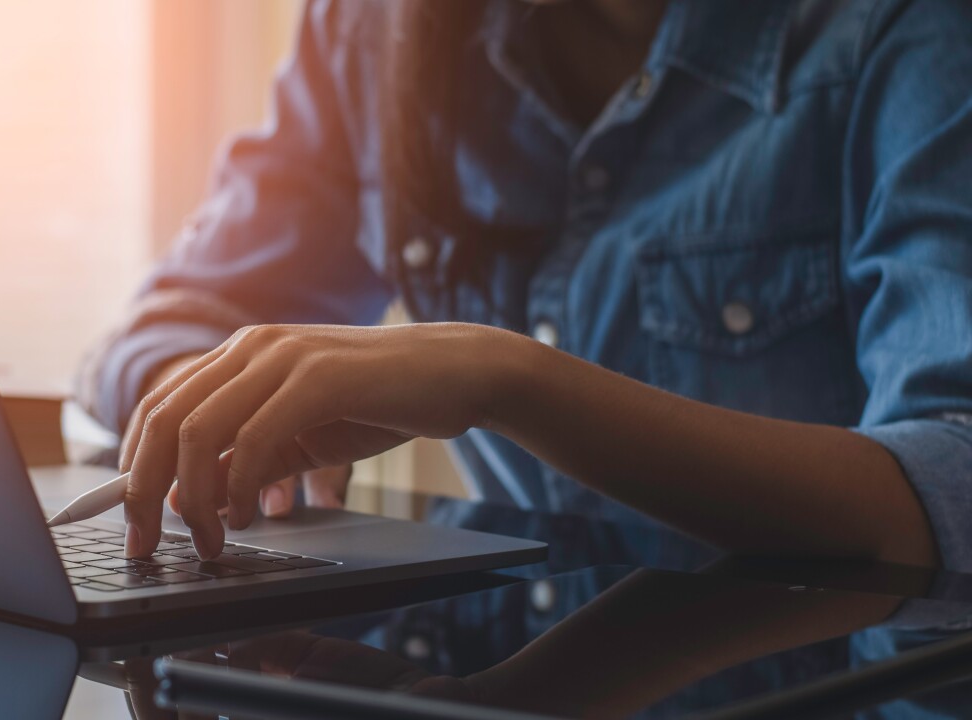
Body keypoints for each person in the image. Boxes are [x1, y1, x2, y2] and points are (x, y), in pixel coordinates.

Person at [77, 0, 972, 567]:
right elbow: (164, 327)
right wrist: (214, 415)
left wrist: (508, 381)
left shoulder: (908, 31)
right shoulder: (374, 27)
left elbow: (951, 483)